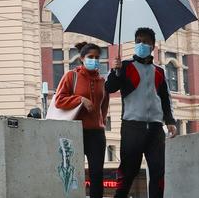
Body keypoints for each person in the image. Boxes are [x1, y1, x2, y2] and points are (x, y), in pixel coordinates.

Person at [105, 27, 177, 198]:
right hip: (132, 127)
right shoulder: (125, 66)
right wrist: (116, 70)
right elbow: (109, 87)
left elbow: (165, 98)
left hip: (155, 128)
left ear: (153, 46)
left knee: (158, 172)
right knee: (128, 172)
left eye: (145, 42)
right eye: (138, 41)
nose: (141, 44)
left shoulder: (159, 71)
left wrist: (170, 121)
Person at [55, 41, 110, 198]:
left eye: (97, 57)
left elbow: (104, 105)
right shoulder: (71, 76)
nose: (94, 60)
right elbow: (59, 100)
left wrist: (102, 121)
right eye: (90, 57)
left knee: (97, 174)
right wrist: (80, 99)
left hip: (97, 133)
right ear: (82, 58)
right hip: (75, 132)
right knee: (73, 172)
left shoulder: (102, 81)